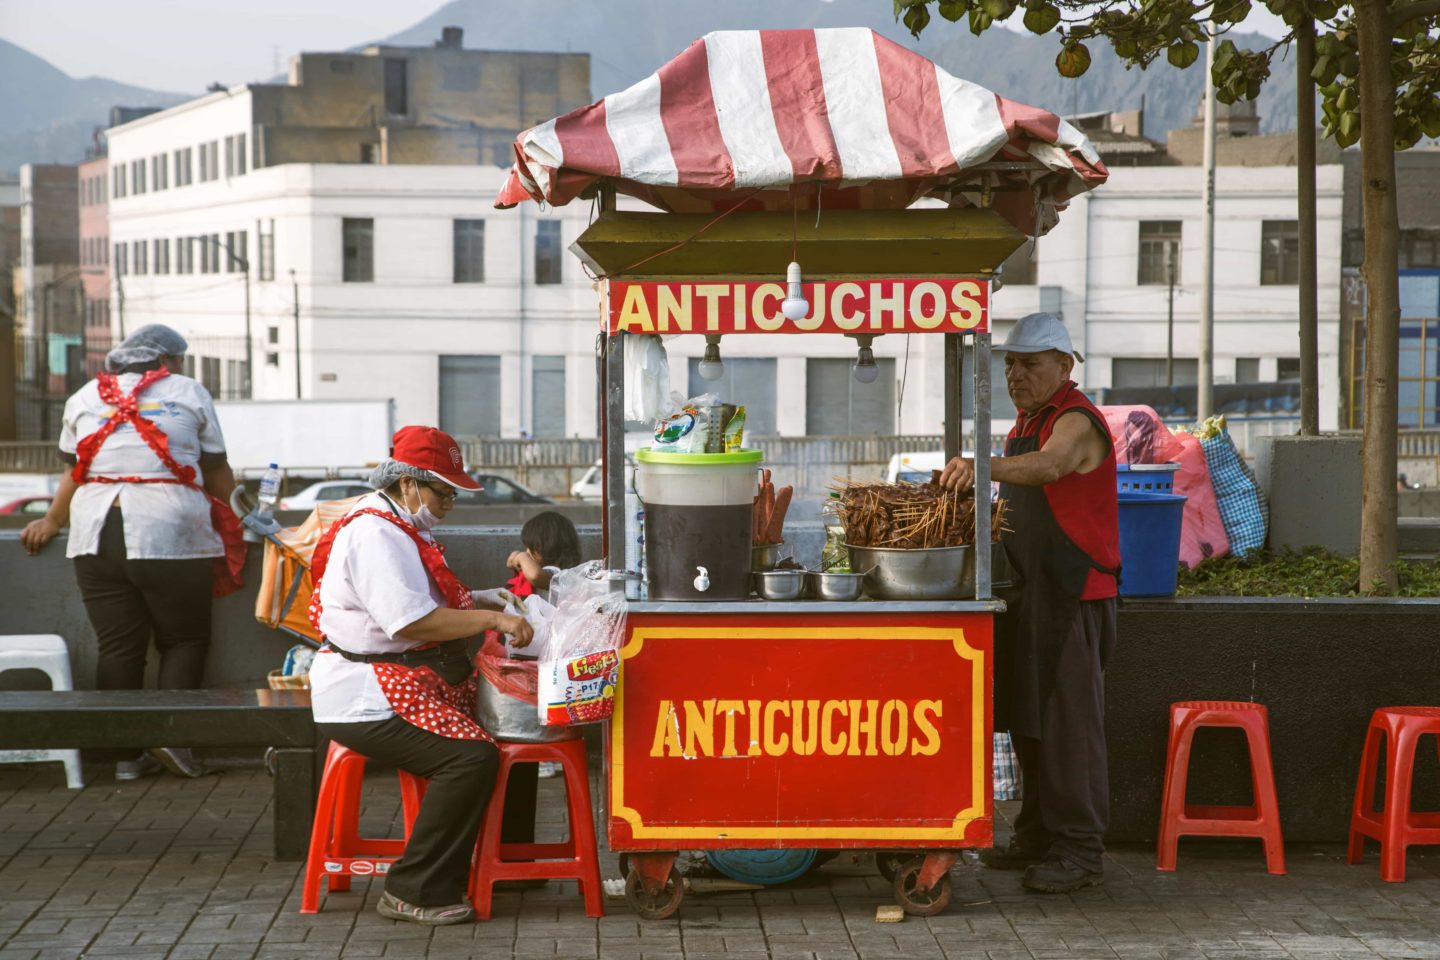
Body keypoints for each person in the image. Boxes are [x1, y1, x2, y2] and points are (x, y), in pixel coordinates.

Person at [307, 425, 534, 925]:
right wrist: (493, 619)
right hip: (367, 697)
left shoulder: (403, 528)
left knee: (514, 726)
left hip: (408, 680)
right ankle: (415, 890)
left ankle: (513, 863)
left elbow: (420, 604)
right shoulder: (376, 534)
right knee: (470, 759)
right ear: (407, 484)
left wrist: (482, 598)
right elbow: (410, 621)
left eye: (454, 491)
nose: (450, 501)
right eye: (442, 490)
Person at [940, 312, 1120, 894]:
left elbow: (1051, 467)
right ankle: (1038, 833)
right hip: (1031, 592)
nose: (1015, 373)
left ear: (1063, 366)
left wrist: (979, 467)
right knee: (1032, 722)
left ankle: (1080, 850)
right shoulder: (1027, 420)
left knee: (1069, 728)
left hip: (1074, 595)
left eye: (1029, 364)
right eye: (1010, 363)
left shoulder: (1074, 419)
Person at [20, 324, 240, 781]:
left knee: (119, 646)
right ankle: (172, 738)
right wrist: (248, 520)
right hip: (170, 530)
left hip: (96, 533)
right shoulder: (188, 390)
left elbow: (77, 470)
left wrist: (51, 520)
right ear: (168, 362)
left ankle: (123, 758)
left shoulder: (83, 397)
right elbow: (216, 470)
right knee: (183, 639)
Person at [501, 510, 581, 781]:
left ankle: (543, 757)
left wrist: (520, 557)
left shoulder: (557, 575)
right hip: (560, 650)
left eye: (529, 548)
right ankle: (552, 752)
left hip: (552, 650)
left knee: (541, 703)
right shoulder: (571, 575)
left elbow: (535, 577)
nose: (525, 553)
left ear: (539, 548)